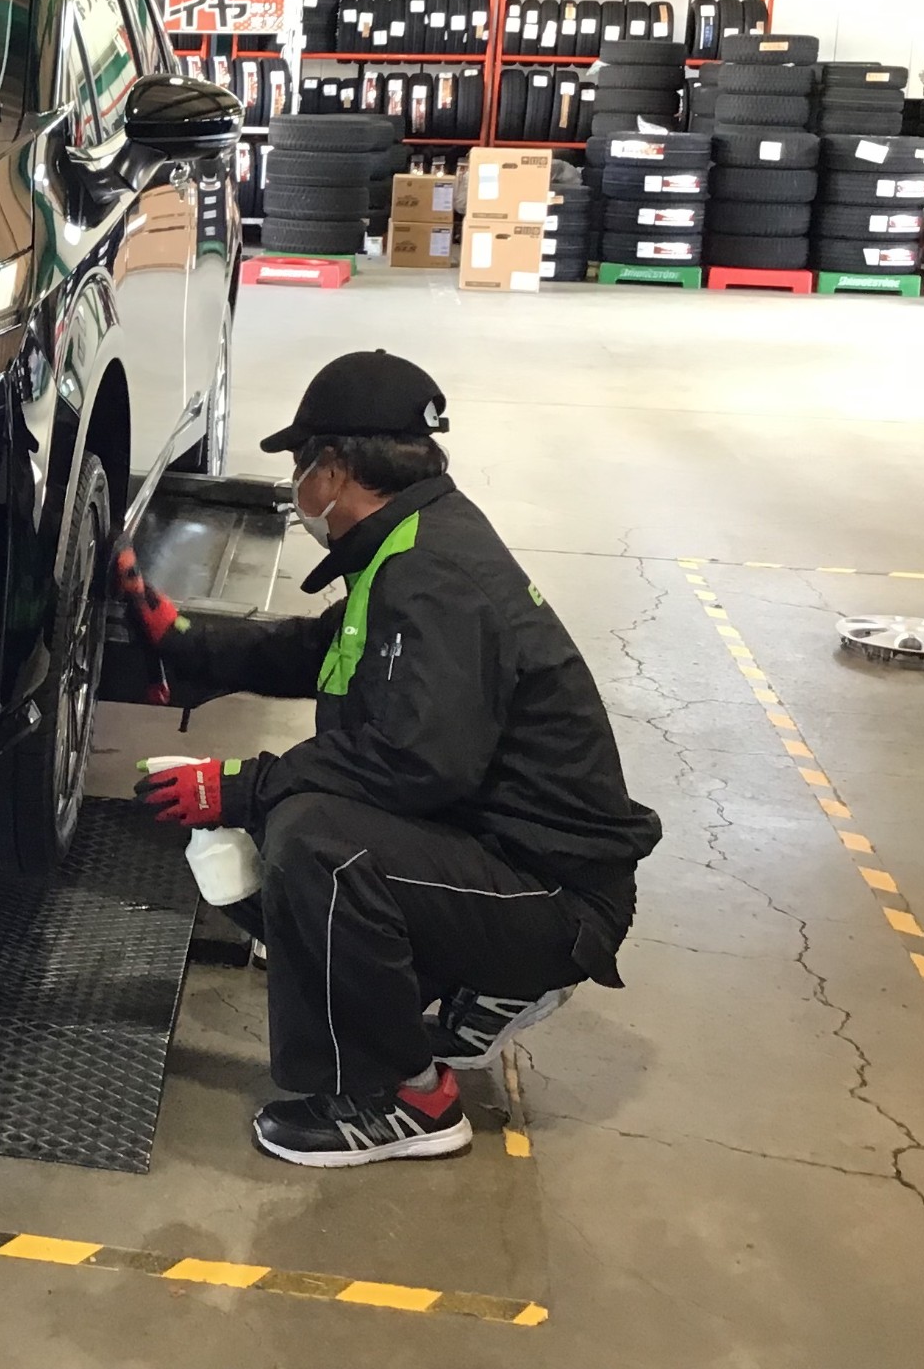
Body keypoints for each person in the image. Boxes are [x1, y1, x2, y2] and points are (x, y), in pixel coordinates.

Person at [117, 349, 661, 1168]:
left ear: (335, 470)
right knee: (301, 821)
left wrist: (241, 787)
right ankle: (482, 981)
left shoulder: (431, 576)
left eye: (303, 465)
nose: (298, 487)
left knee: (315, 841)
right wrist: (187, 640)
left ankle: (401, 1098)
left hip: (554, 895)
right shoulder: (415, 538)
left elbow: (418, 763)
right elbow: (325, 649)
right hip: (514, 858)